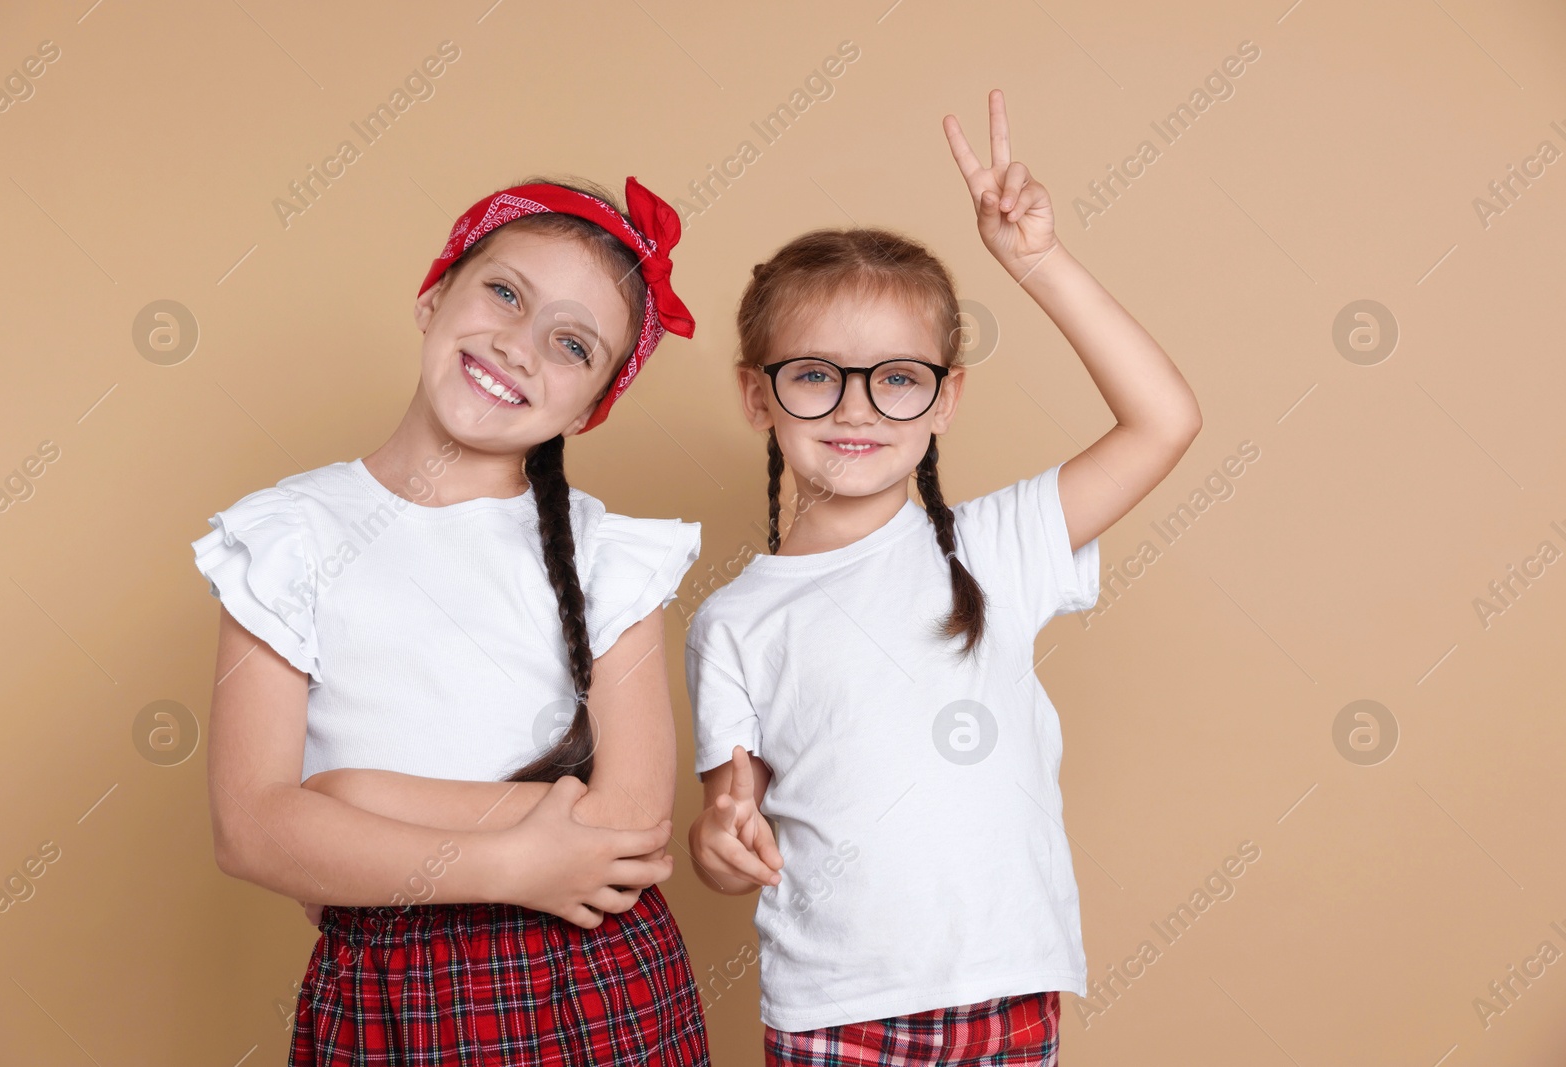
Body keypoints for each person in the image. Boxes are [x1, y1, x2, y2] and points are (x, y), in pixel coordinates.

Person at [684, 90, 1202, 1065]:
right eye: (813, 374)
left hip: (1006, 990)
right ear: (758, 394)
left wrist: (1038, 262)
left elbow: (1163, 420)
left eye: (897, 376)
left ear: (943, 398)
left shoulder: (993, 543)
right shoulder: (733, 618)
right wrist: (718, 839)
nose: (856, 406)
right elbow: (731, 813)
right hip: (832, 1008)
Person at [191, 175, 711, 1064]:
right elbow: (251, 828)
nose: (518, 345)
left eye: (571, 345)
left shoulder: (606, 553)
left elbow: (626, 822)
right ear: (435, 293)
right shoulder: (288, 537)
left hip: (593, 975)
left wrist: (351, 800)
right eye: (505, 292)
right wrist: (518, 864)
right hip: (388, 992)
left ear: (589, 409)